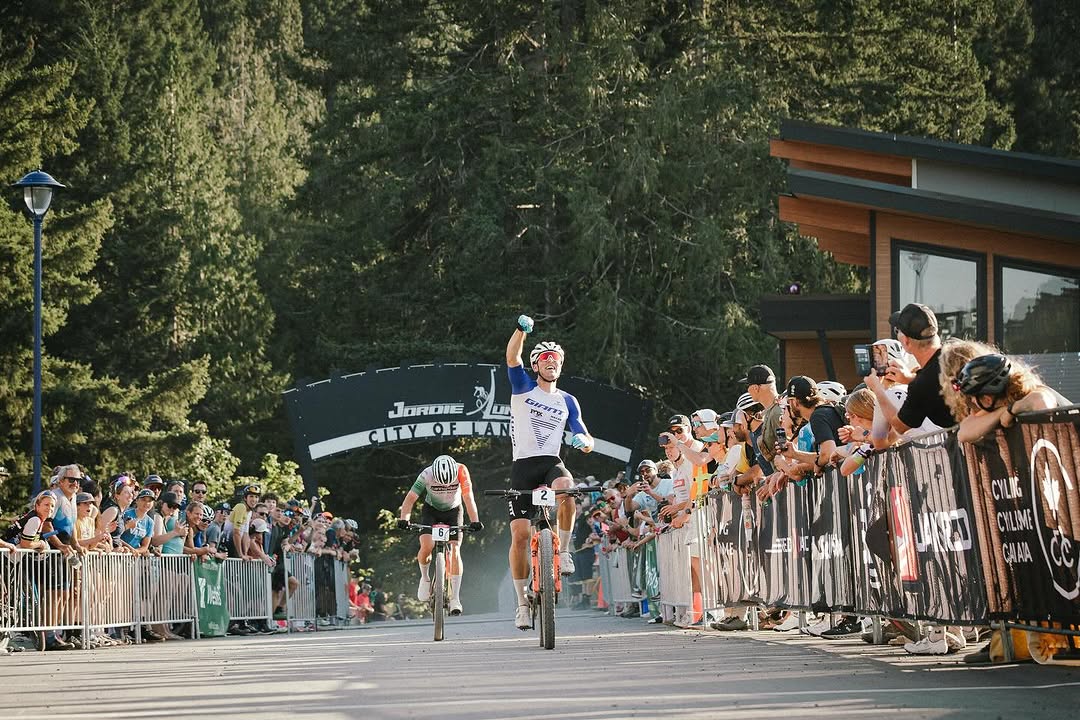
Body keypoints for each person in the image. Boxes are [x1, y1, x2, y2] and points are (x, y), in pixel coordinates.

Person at [503, 313, 595, 630]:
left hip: (550, 462)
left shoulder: (568, 400)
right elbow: (512, 356)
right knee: (520, 535)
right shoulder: (523, 387)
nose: (551, 362)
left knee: (567, 486)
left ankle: (564, 551)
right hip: (523, 466)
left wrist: (585, 441)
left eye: (555, 359)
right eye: (545, 358)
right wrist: (521, 330)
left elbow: (583, 430)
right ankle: (521, 603)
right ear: (536, 365)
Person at [396, 454, 483, 615]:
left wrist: (475, 520)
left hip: (454, 510)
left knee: (455, 550)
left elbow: (468, 497)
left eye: (449, 485)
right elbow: (410, 499)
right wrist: (404, 519)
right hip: (431, 511)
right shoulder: (426, 474)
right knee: (427, 545)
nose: (445, 487)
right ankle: (425, 577)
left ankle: (455, 598)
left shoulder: (461, 470)